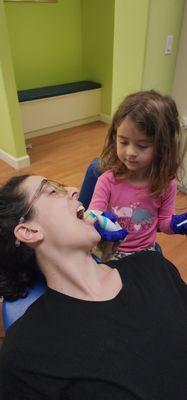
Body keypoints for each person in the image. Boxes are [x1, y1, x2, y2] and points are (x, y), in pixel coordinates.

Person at [0, 174, 187, 400]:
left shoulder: (154, 265)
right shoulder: (23, 353)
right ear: (29, 231)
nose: (73, 189)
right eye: (51, 191)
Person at [89, 90, 187, 259]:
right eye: (123, 141)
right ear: (115, 137)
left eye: (142, 145)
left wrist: (176, 224)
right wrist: (97, 223)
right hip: (110, 250)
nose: (130, 152)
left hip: (145, 251)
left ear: (162, 146)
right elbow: (93, 214)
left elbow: (163, 223)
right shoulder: (108, 180)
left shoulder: (165, 183)